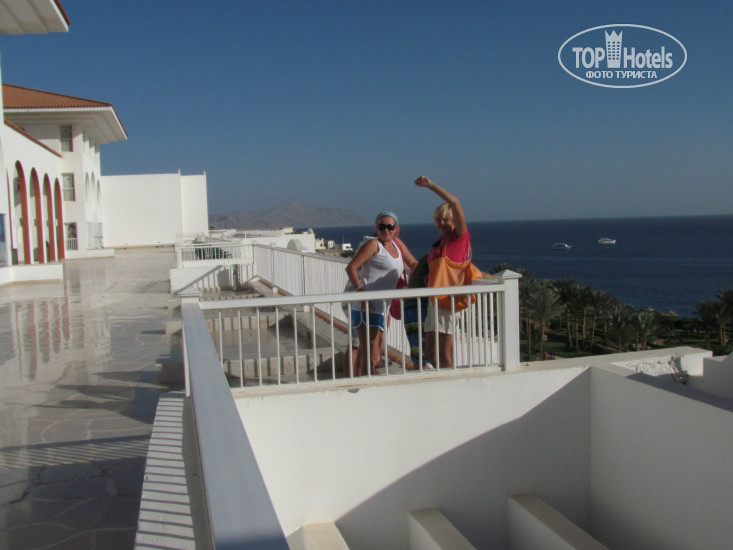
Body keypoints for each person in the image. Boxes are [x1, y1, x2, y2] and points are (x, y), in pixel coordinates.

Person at [345, 212, 417, 376]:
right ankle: (365, 385)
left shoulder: (397, 244)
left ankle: (360, 383)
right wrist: (360, 292)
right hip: (367, 306)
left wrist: (413, 286)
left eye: (390, 226)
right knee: (369, 353)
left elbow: (414, 264)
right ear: (376, 228)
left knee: (368, 352)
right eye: (382, 227)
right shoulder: (373, 244)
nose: (386, 230)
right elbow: (351, 268)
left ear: (396, 228)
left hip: (383, 307)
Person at [415, 175, 471, 369]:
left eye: (446, 220)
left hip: (448, 301)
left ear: (454, 220)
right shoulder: (440, 242)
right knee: (430, 352)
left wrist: (430, 185)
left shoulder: (459, 239)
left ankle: (450, 383)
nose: (442, 224)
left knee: (444, 354)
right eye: (438, 221)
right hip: (434, 300)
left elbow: (455, 202)